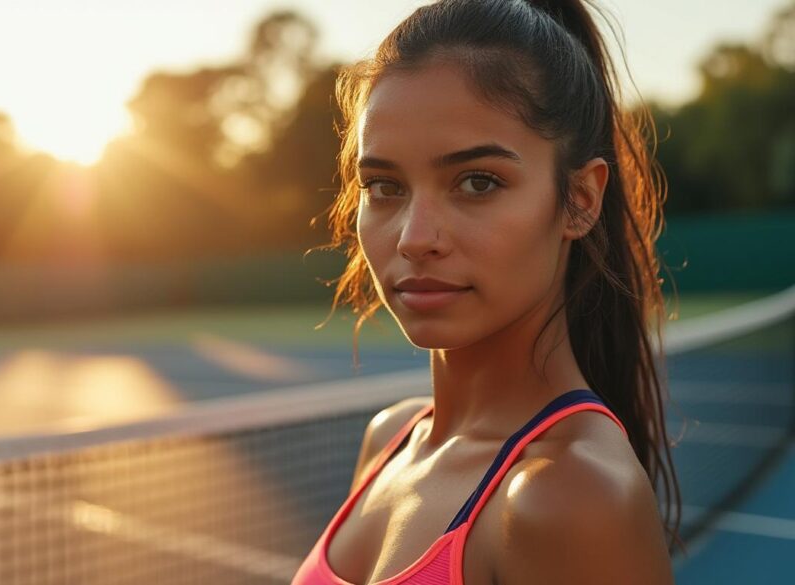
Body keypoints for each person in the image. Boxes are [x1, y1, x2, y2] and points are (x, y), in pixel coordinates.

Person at [291, 1, 682, 584]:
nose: (415, 238)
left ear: (580, 199)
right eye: (384, 186)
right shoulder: (389, 439)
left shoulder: (570, 496)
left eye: (478, 182)